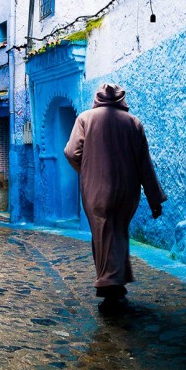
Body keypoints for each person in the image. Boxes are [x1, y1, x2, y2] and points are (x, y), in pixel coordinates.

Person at [64, 83, 166, 307]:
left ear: (97, 98)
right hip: (128, 190)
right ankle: (117, 284)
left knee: (102, 234)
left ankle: (109, 287)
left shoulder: (85, 118)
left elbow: (71, 152)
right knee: (118, 233)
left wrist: (87, 169)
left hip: (96, 189)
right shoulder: (134, 123)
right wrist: (154, 198)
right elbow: (144, 164)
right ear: (121, 99)